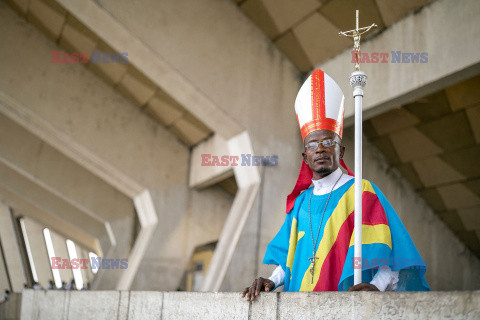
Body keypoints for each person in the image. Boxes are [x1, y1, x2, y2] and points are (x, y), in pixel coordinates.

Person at [242, 69, 429, 301]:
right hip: (298, 308)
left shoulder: (361, 192)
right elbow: (290, 259)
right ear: (305, 156)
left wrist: (376, 287)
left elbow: (393, 255)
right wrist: (272, 280)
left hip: (345, 306)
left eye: (328, 141)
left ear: (340, 151)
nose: (320, 148)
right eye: (313, 144)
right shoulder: (301, 202)